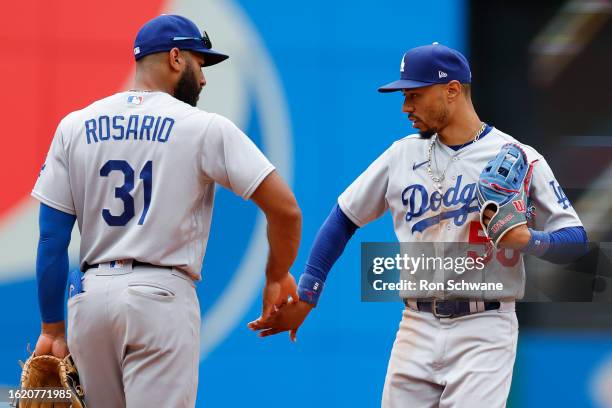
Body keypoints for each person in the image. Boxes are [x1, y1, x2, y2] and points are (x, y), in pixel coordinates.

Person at [248, 43, 588, 407]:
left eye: (414, 95)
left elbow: (576, 240)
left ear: (452, 90)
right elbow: (343, 218)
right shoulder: (403, 154)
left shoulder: (518, 156)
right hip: (416, 324)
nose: (405, 107)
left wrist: (528, 240)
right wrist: (309, 294)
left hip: (486, 329)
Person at [31, 14, 301, 408]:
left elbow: (52, 237)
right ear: (175, 58)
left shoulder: (75, 126)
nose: (204, 78)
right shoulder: (202, 127)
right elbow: (286, 210)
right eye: (199, 62)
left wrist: (52, 329)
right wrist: (277, 274)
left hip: (89, 303)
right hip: (159, 300)